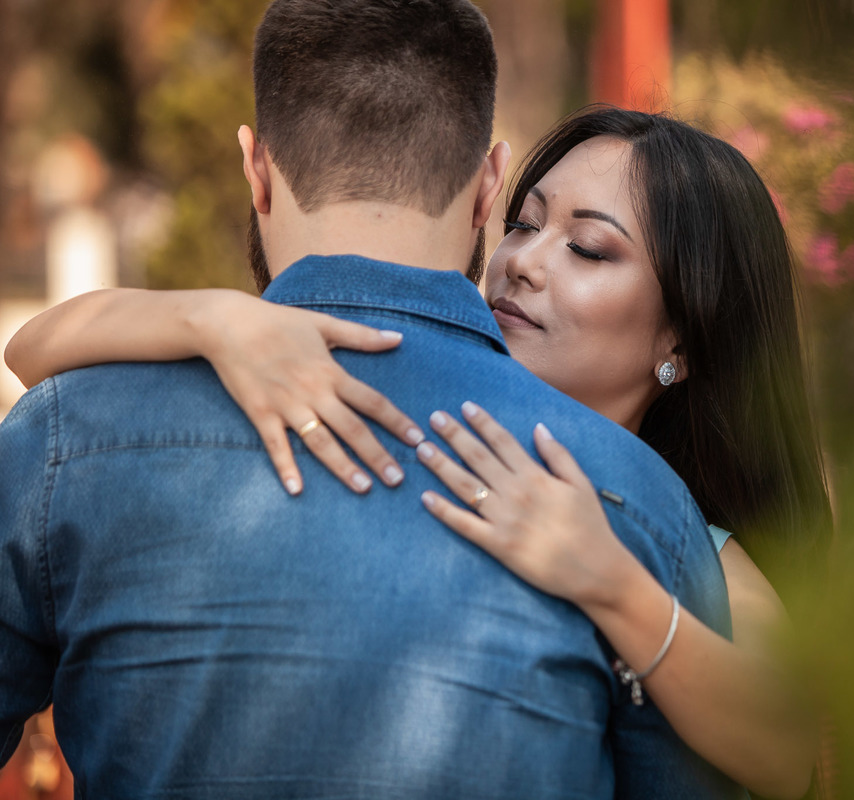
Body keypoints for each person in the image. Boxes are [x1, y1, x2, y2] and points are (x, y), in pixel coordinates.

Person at [0, 3, 738, 798]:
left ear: (255, 168)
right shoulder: (642, 509)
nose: (529, 268)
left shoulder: (64, 438)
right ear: (491, 187)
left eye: (590, 249)